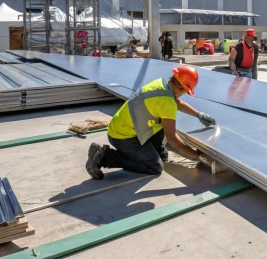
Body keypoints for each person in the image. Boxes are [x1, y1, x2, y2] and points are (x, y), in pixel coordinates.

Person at [86, 66, 216, 178]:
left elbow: (177, 103)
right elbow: (172, 139)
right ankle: (104, 156)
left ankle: (155, 150)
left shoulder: (163, 83)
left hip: (121, 126)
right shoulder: (167, 102)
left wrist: (198, 114)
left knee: (162, 124)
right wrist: (197, 155)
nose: (184, 94)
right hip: (123, 137)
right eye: (186, 91)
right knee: (155, 167)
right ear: (181, 88)